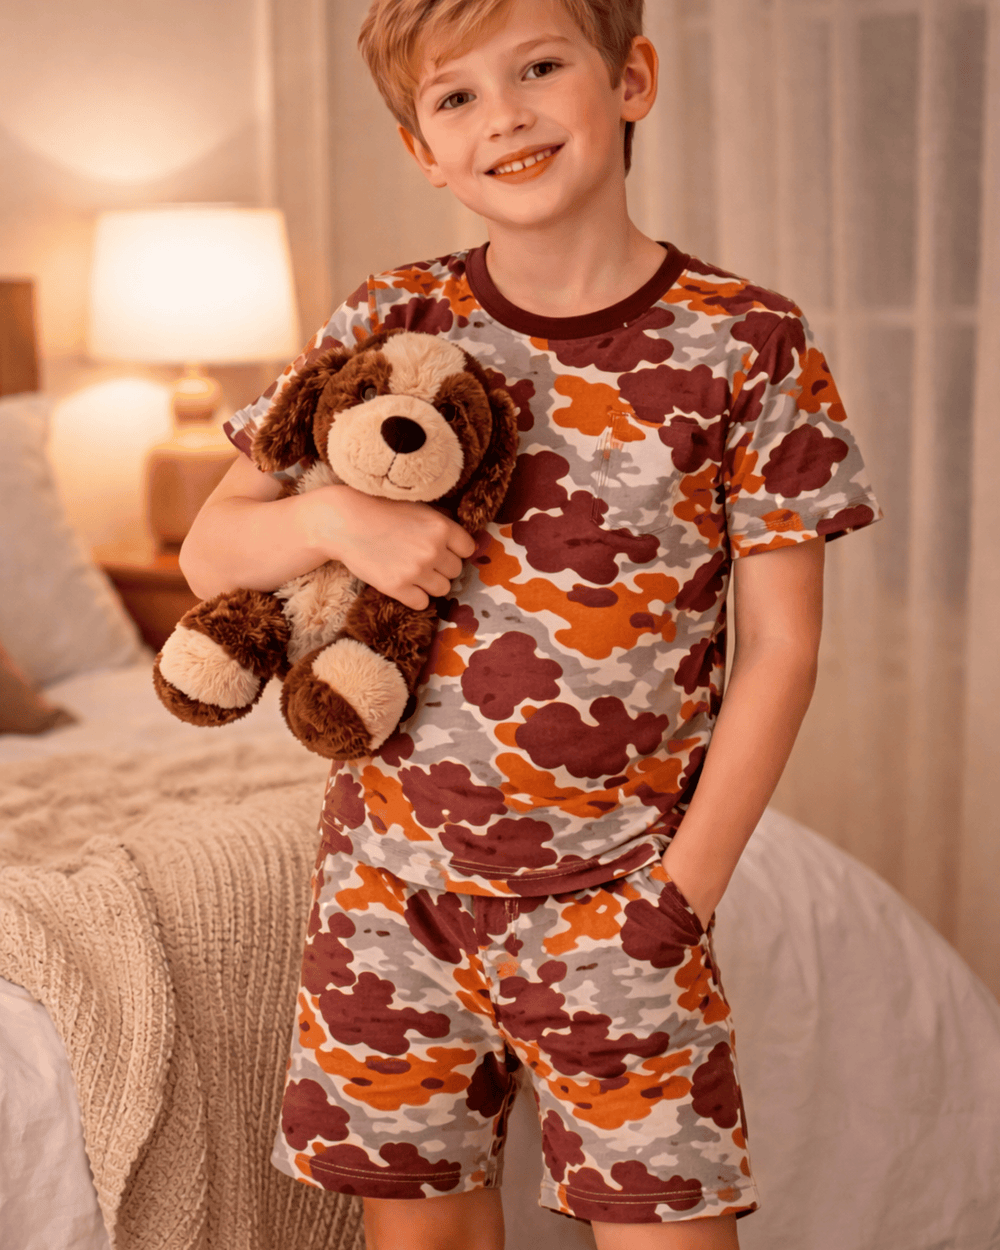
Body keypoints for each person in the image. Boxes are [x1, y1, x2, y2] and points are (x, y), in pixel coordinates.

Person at [179, 1, 883, 1246]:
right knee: (422, 1228)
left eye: (540, 67)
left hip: (620, 893)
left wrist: (682, 890)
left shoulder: (746, 343)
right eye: (455, 96)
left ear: (631, 82)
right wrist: (341, 519)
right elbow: (211, 548)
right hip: (387, 890)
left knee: (664, 1222)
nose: (502, 112)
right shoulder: (388, 320)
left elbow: (782, 646)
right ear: (423, 151)